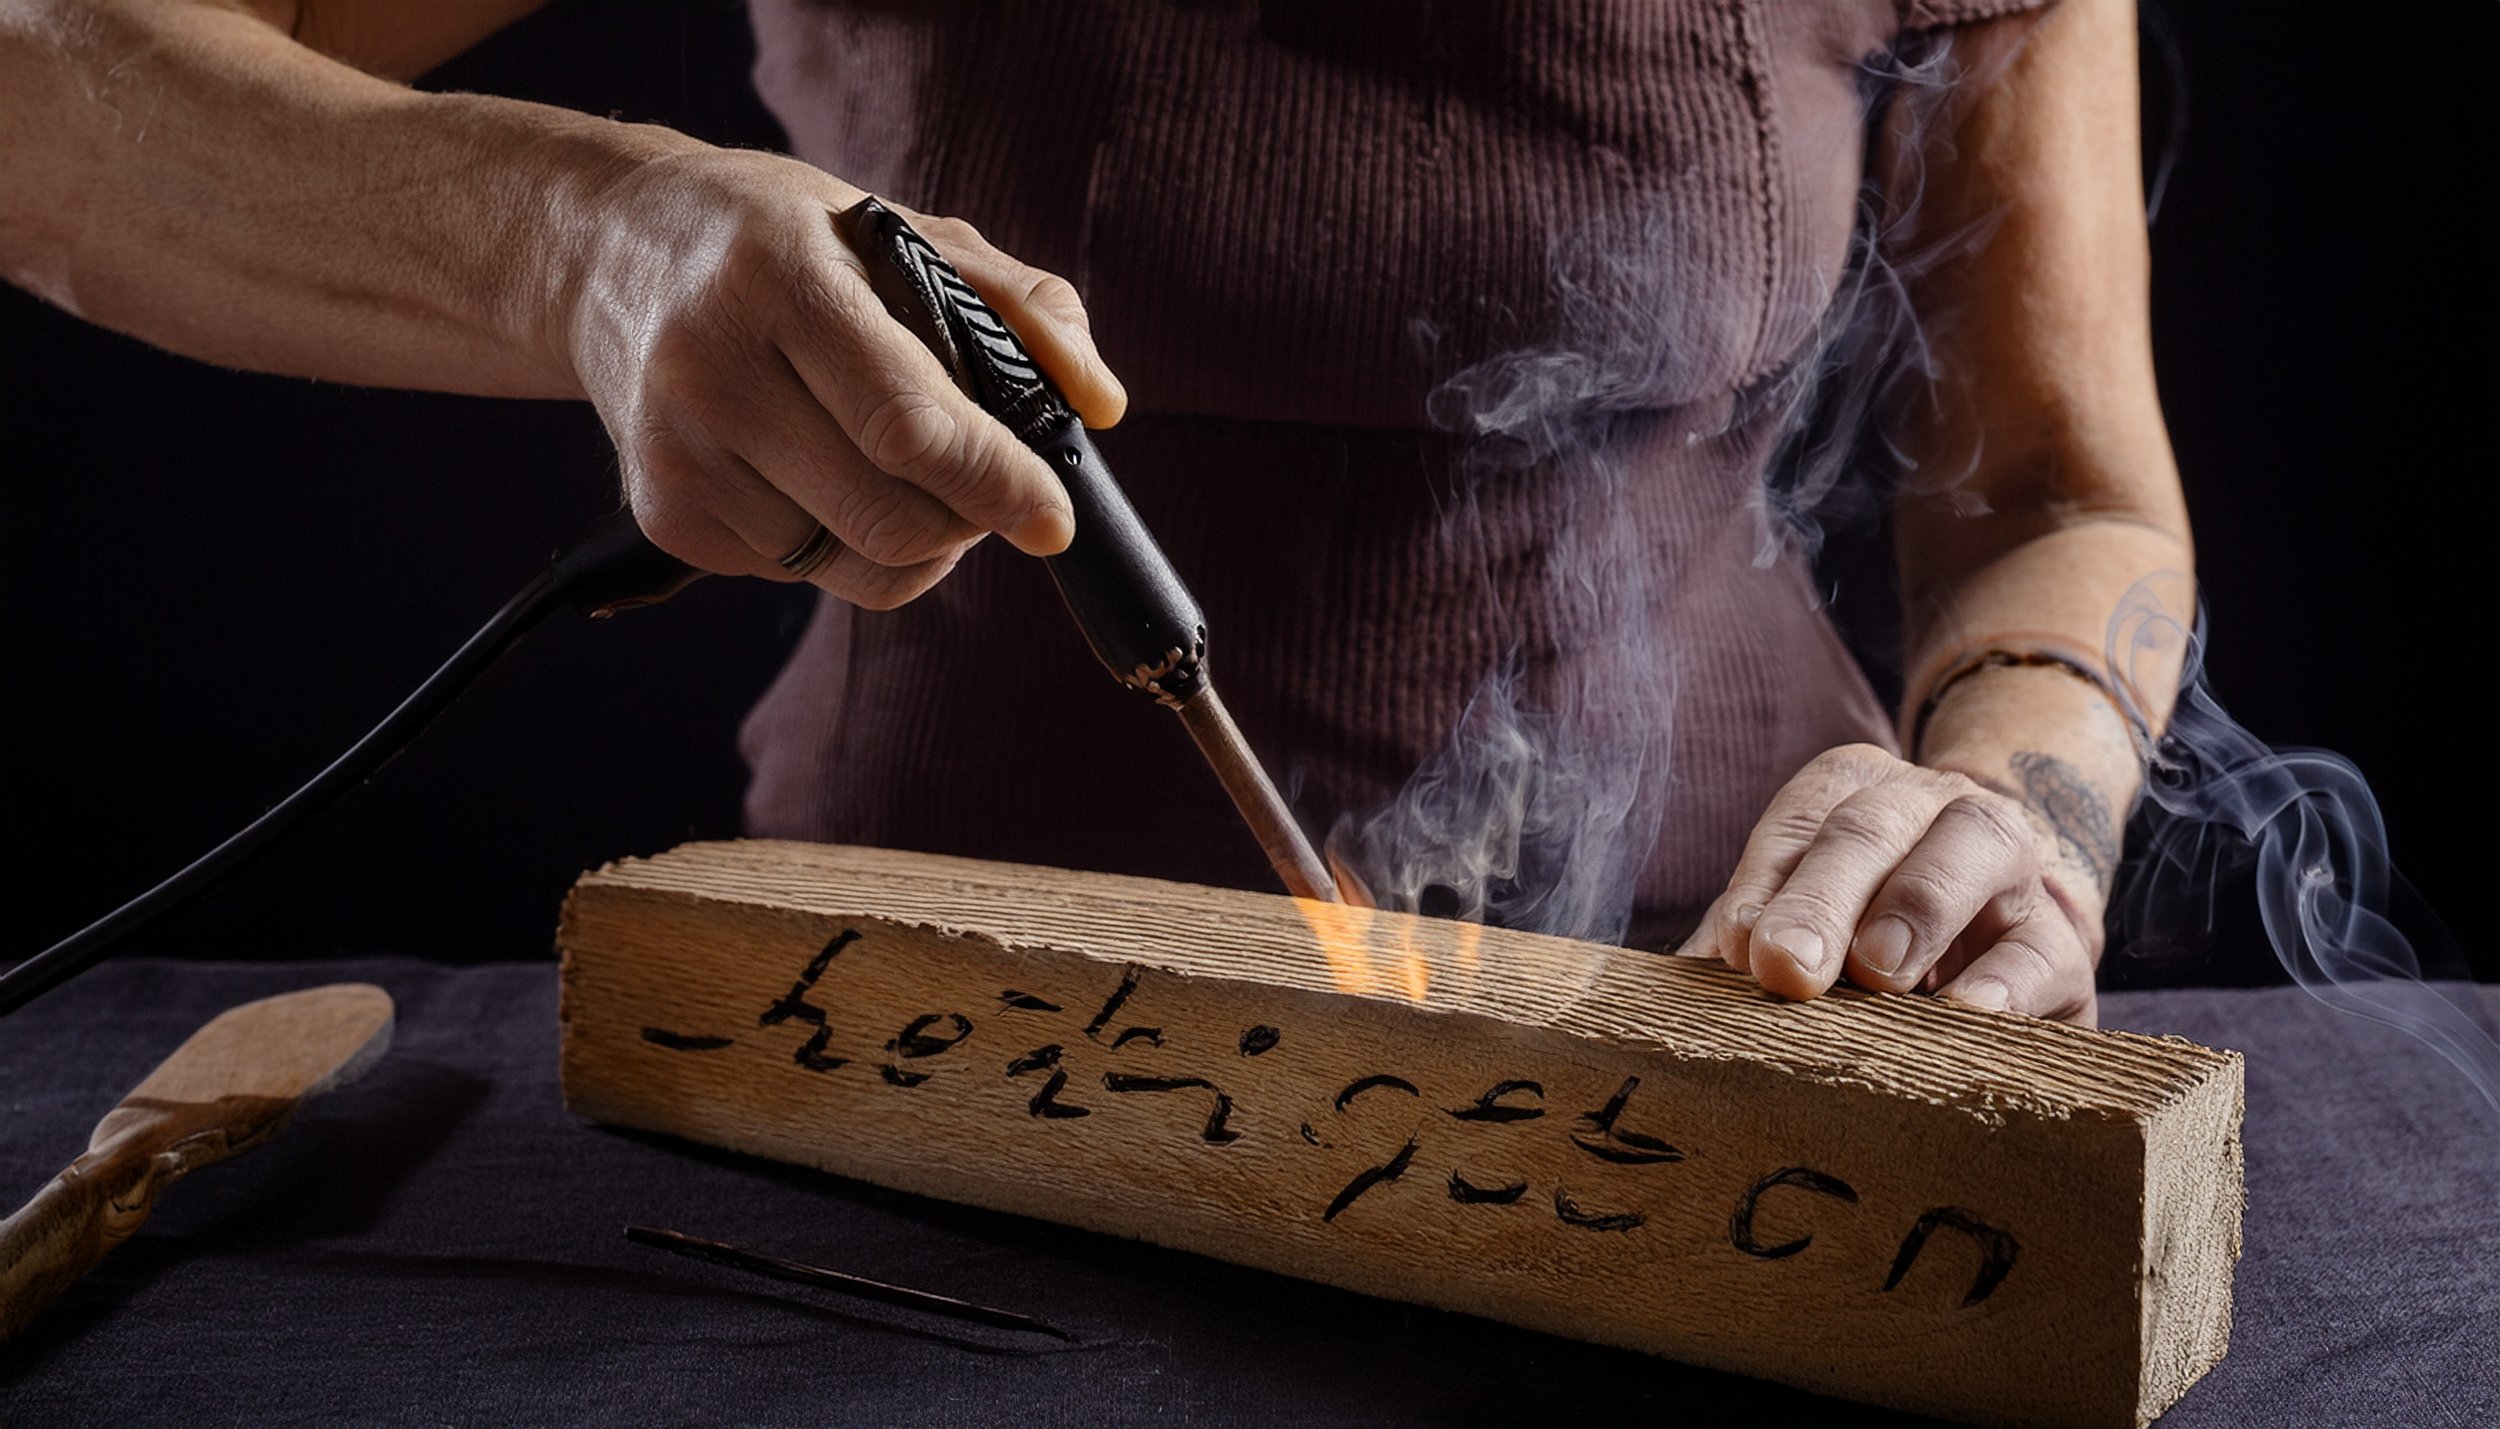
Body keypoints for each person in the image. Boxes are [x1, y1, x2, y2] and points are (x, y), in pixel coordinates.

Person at [0, 0, 2190, 1025]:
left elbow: (2043, 486)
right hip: (910, 1049)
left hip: (1724, 1038)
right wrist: (589, 241)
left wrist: (2020, 799)